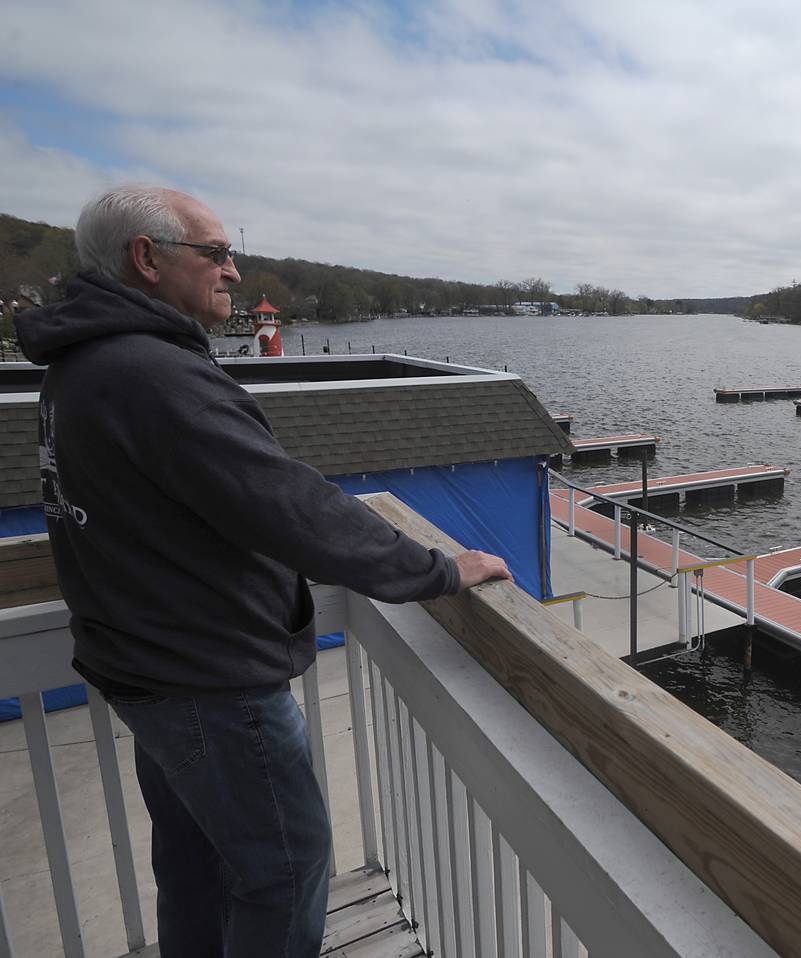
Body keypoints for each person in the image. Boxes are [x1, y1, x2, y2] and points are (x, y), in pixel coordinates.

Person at [16, 185, 512, 957]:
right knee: (286, 869)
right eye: (215, 253)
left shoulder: (81, 366)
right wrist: (438, 570)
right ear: (147, 259)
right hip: (208, 679)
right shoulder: (150, 374)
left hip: (147, 665)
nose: (236, 272)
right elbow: (288, 505)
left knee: (197, 866)